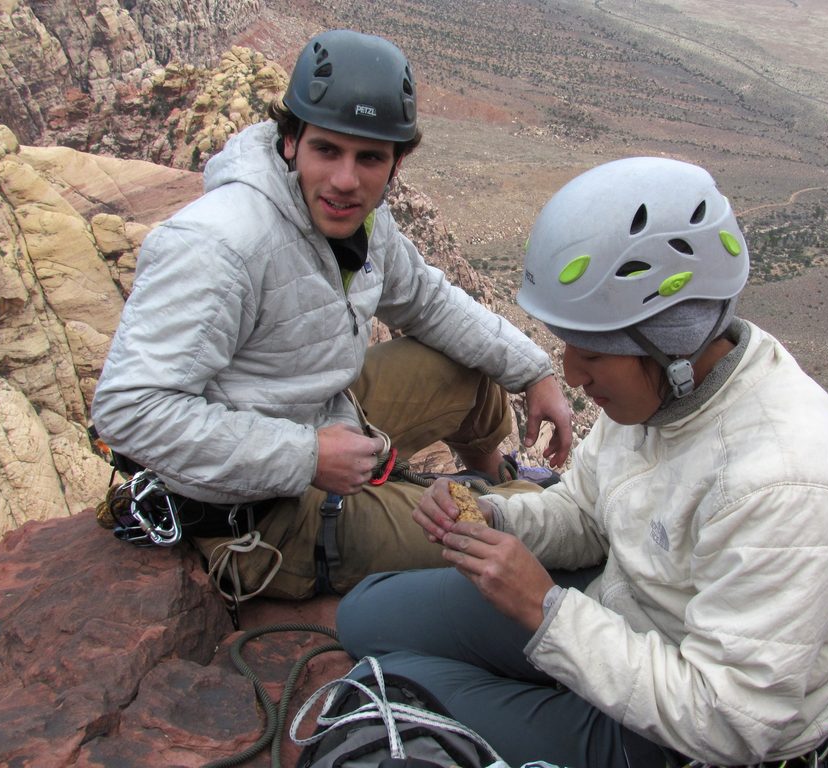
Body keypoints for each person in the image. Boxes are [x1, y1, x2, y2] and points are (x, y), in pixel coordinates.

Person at [336, 157, 828, 767]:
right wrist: (497, 521)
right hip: (612, 614)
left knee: (374, 688)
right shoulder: (663, 396)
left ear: (671, 340)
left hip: (678, 737)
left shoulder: (784, 485)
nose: (570, 373)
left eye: (593, 351)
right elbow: (590, 511)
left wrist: (543, 611)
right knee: (364, 616)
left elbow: (731, 721)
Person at [91, 29, 572, 602]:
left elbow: (425, 299)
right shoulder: (220, 244)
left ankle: (492, 476)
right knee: (537, 524)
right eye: (328, 150)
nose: (346, 180)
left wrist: (534, 372)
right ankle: (507, 500)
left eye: (370, 158)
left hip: (321, 408)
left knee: (469, 372)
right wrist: (306, 456)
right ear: (290, 141)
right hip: (261, 516)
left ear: (396, 164)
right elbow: (129, 410)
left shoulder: (365, 217)